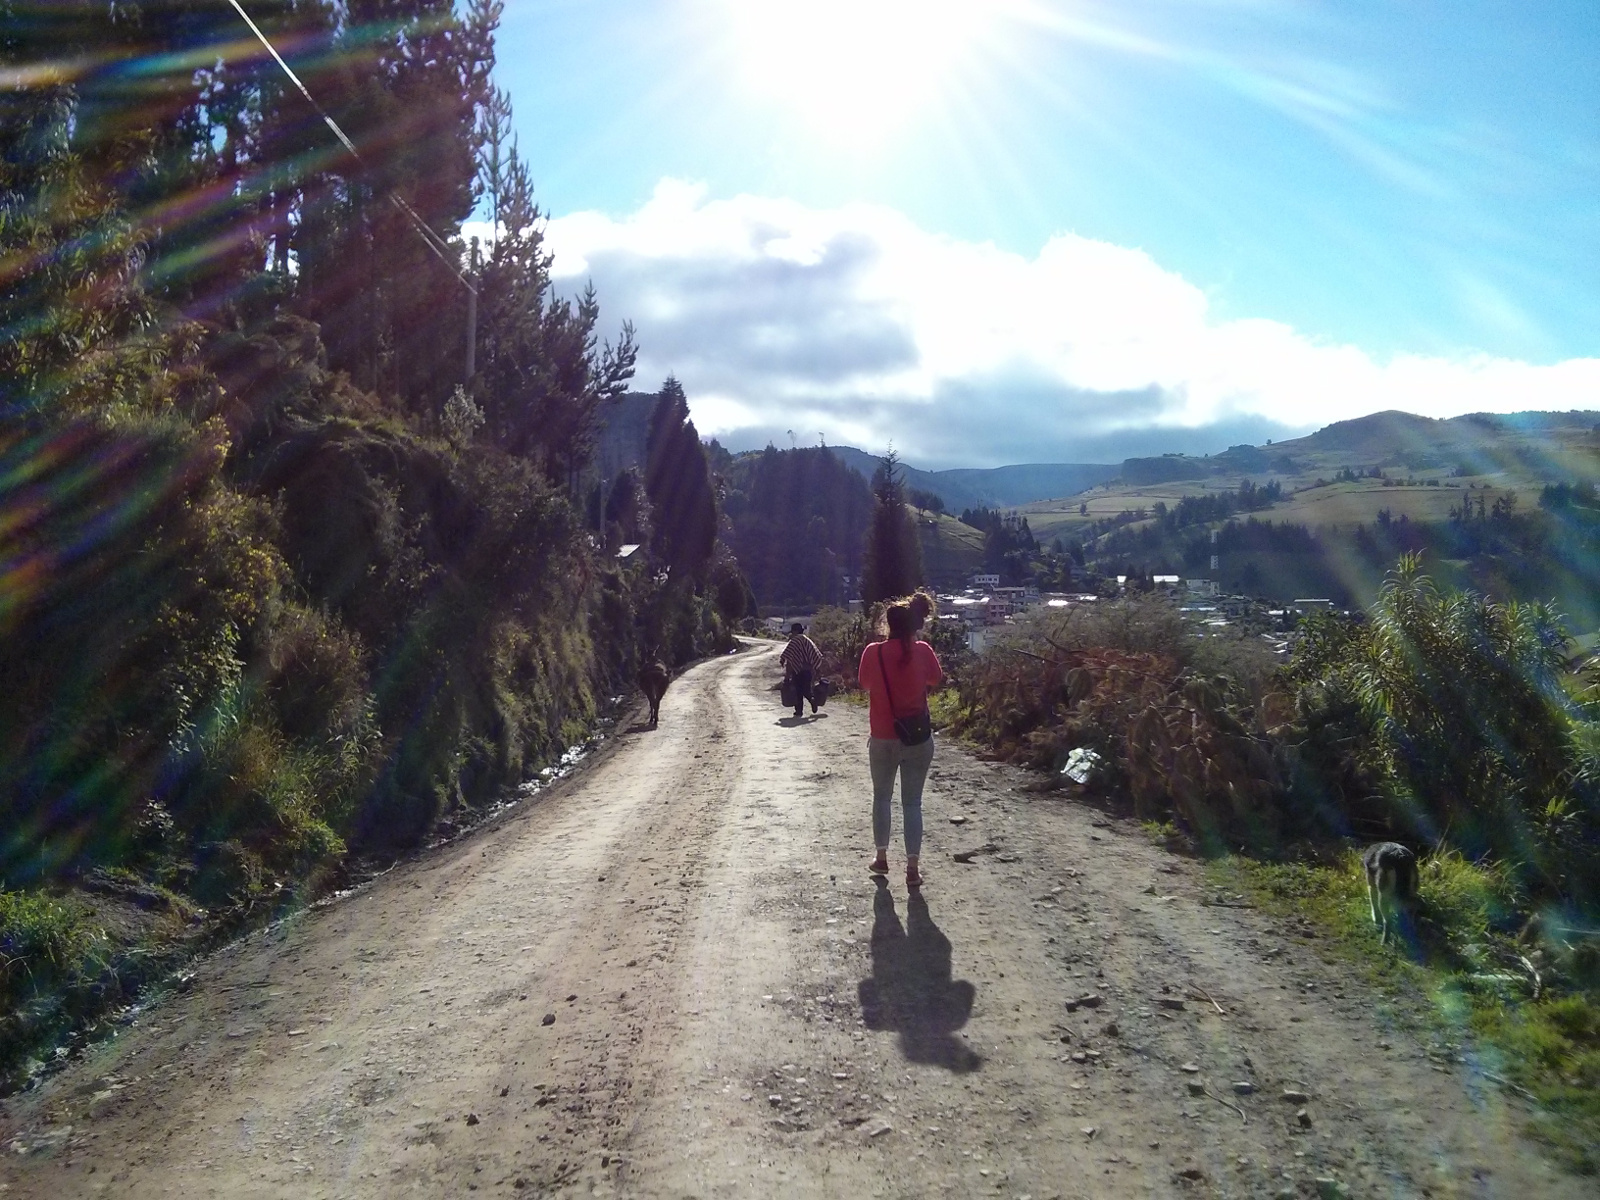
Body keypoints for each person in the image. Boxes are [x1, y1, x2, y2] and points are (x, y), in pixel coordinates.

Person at [858, 593, 942, 888]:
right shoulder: (923, 650)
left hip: (882, 736)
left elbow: (865, 684)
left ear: (886, 624)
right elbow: (935, 679)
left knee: (881, 797)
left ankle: (881, 859)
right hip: (917, 738)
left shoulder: (873, 652)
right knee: (912, 803)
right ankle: (913, 869)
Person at [779, 621, 823, 717]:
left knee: (799, 690)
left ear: (795, 631)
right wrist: (816, 669)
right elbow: (816, 655)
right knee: (806, 688)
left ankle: (800, 710)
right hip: (808, 670)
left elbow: (789, 658)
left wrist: (787, 676)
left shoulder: (794, 641)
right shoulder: (808, 641)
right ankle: (811, 699)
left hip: (798, 670)